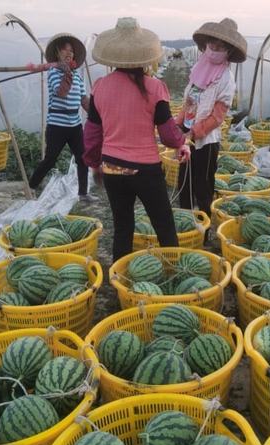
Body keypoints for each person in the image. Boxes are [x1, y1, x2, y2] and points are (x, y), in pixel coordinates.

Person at [83, 18, 190, 262]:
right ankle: (174, 272)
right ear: (145, 57)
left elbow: (91, 134)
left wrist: (93, 162)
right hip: (146, 171)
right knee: (163, 224)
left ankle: (119, 280)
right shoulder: (155, 88)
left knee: (122, 227)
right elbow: (167, 133)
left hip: (112, 167)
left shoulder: (100, 87)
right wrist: (181, 143)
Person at [175, 18, 247, 219]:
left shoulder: (226, 79)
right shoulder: (199, 68)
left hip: (205, 142)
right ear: (205, 44)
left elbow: (217, 117)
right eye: (212, 44)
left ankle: (203, 230)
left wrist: (194, 133)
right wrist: (179, 124)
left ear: (228, 51)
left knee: (202, 186)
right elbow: (189, 102)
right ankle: (186, 223)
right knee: (184, 183)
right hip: (187, 138)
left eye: (220, 46)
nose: (214, 49)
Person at [28, 33, 96, 201]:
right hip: (57, 126)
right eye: (65, 50)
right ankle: (31, 187)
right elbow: (61, 93)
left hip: (75, 125)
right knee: (50, 159)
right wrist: (66, 73)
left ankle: (83, 193)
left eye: (71, 51)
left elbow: (83, 99)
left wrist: (96, 115)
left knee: (82, 158)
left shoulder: (78, 76)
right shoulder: (53, 72)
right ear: (58, 53)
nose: (69, 53)